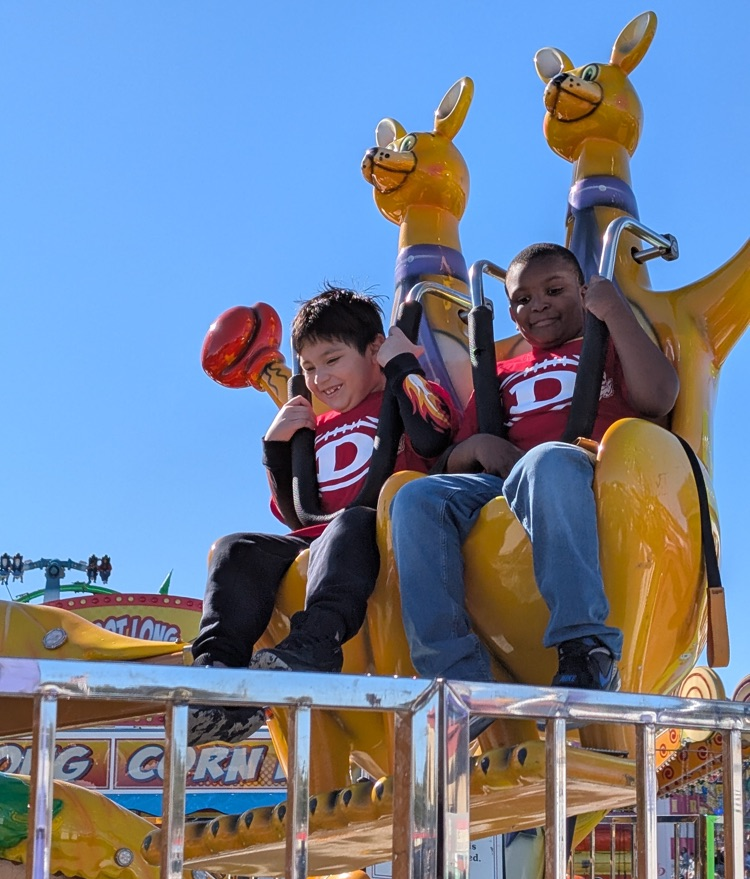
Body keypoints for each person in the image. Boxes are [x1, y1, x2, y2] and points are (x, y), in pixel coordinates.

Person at [390, 242, 679, 716]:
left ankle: (585, 645)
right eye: (522, 300)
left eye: (554, 290)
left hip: (583, 465)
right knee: (416, 499)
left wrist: (615, 311)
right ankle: (454, 676)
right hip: (505, 478)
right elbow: (448, 461)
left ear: (583, 294)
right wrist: (479, 447)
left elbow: (659, 397)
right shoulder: (503, 372)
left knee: (545, 460)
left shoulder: (603, 350)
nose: (537, 304)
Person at [189, 285, 457, 745]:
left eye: (332, 360)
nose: (319, 378)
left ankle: (315, 644)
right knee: (236, 550)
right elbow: (294, 513)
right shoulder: (316, 422)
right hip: (319, 535)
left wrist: (401, 366)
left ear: (374, 349)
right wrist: (276, 448)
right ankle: (215, 678)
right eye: (309, 368)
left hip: (379, 529)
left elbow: (434, 435)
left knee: (349, 524)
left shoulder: (398, 396)